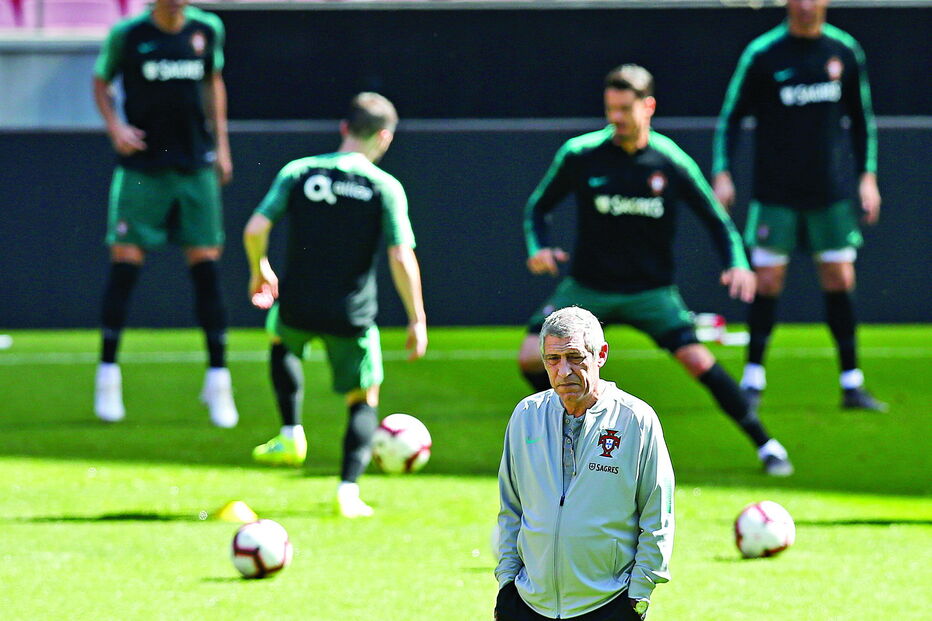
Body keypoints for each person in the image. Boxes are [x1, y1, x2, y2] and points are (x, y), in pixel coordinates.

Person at [519, 64, 792, 476]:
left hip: (651, 292)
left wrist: (737, 262)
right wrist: (538, 247)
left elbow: (717, 221)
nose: (615, 118)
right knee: (529, 358)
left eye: (624, 109)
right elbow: (537, 209)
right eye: (610, 109)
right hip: (589, 289)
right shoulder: (581, 154)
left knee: (699, 362)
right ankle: (569, 428)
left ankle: (767, 445)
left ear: (648, 107)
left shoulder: (669, 160)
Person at [243, 92, 428, 519]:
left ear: (345, 128)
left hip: (297, 303)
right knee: (363, 397)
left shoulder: (299, 171)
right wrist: (416, 318)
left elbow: (255, 229)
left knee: (280, 338)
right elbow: (401, 255)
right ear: (384, 137)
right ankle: (347, 492)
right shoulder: (385, 186)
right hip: (352, 313)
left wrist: (259, 269)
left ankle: (290, 431)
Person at [712, 0, 885, 412]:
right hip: (776, 192)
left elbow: (862, 119)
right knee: (767, 279)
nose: (806, 5)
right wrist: (722, 171)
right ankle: (752, 380)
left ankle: (851, 383)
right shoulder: (763, 53)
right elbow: (730, 117)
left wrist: (868, 175)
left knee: (839, 276)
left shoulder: (844, 51)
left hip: (829, 191)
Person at [92, 0, 237, 427]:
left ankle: (218, 380)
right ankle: (107, 376)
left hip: (194, 166)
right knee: (125, 265)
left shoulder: (207, 29)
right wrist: (115, 126)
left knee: (206, 267)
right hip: (142, 168)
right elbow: (101, 82)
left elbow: (213, 82)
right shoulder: (128, 35)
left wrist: (222, 145)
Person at [497, 306, 673, 621]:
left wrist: (638, 595)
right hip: (527, 603)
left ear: (601, 354)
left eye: (575, 357)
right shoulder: (526, 416)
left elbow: (657, 514)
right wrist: (507, 584)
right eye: (553, 359)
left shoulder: (635, 419)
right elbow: (511, 509)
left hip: (609, 604)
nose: (563, 371)